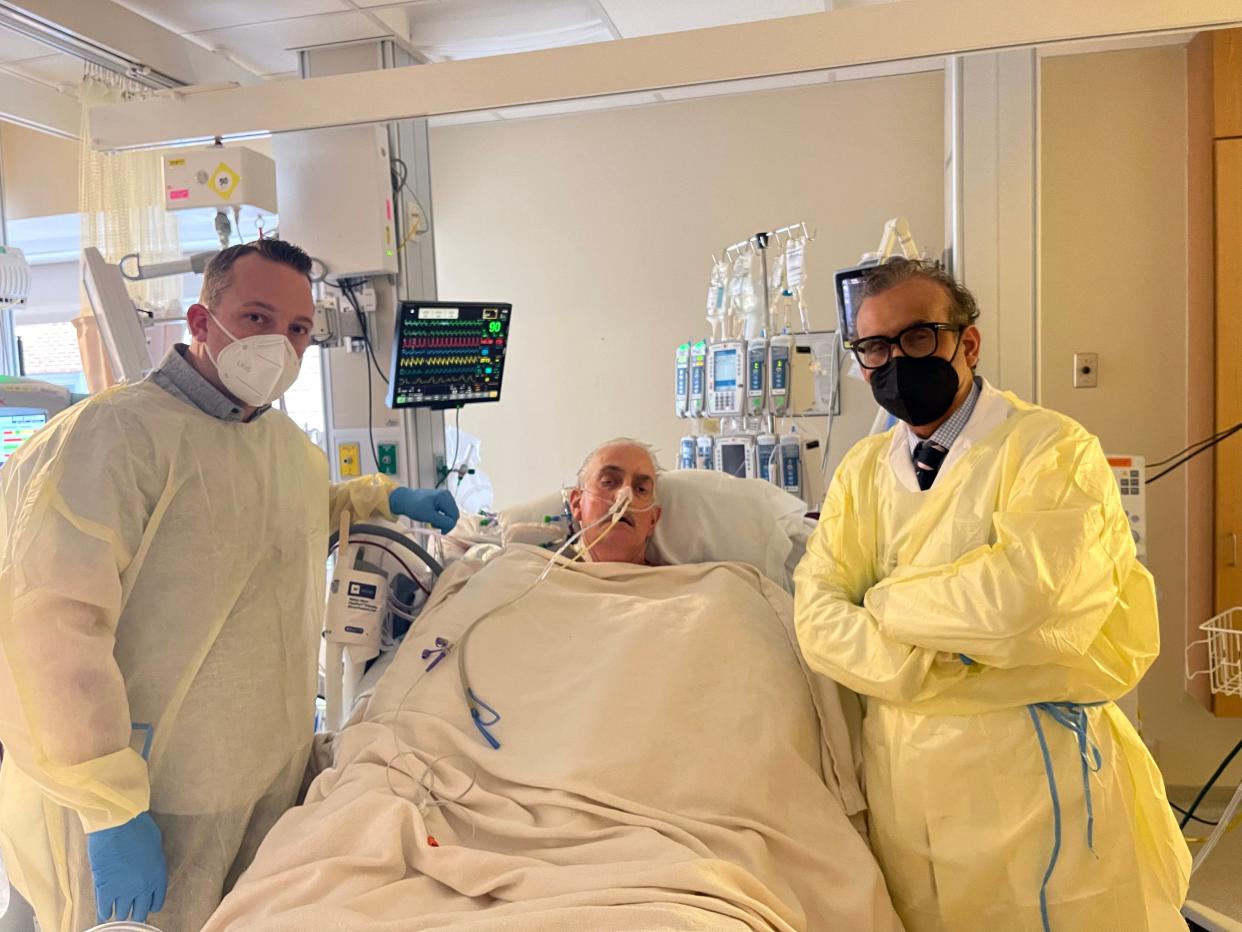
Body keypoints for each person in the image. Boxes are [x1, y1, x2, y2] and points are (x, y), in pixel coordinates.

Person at [0, 239, 459, 932]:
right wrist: (109, 803)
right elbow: (49, 630)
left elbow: (285, 510)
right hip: (146, 790)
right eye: (255, 316)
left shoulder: (280, 443)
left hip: (261, 772)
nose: (279, 342)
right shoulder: (112, 438)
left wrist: (384, 498)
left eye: (298, 329)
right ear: (199, 319)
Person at [794, 256, 1191, 931]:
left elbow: (1019, 607)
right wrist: (933, 659)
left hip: (1035, 776)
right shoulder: (862, 471)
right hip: (905, 781)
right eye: (874, 348)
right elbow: (817, 615)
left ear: (966, 343)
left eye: (917, 338)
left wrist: (884, 603)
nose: (894, 361)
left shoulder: (1051, 450)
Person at [566, 439, 662, 564]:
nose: (625, 497)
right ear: (577, 504)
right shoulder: (540, 576)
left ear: (653, 520)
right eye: (608, 482)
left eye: (641, 489)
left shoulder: (684, 581)